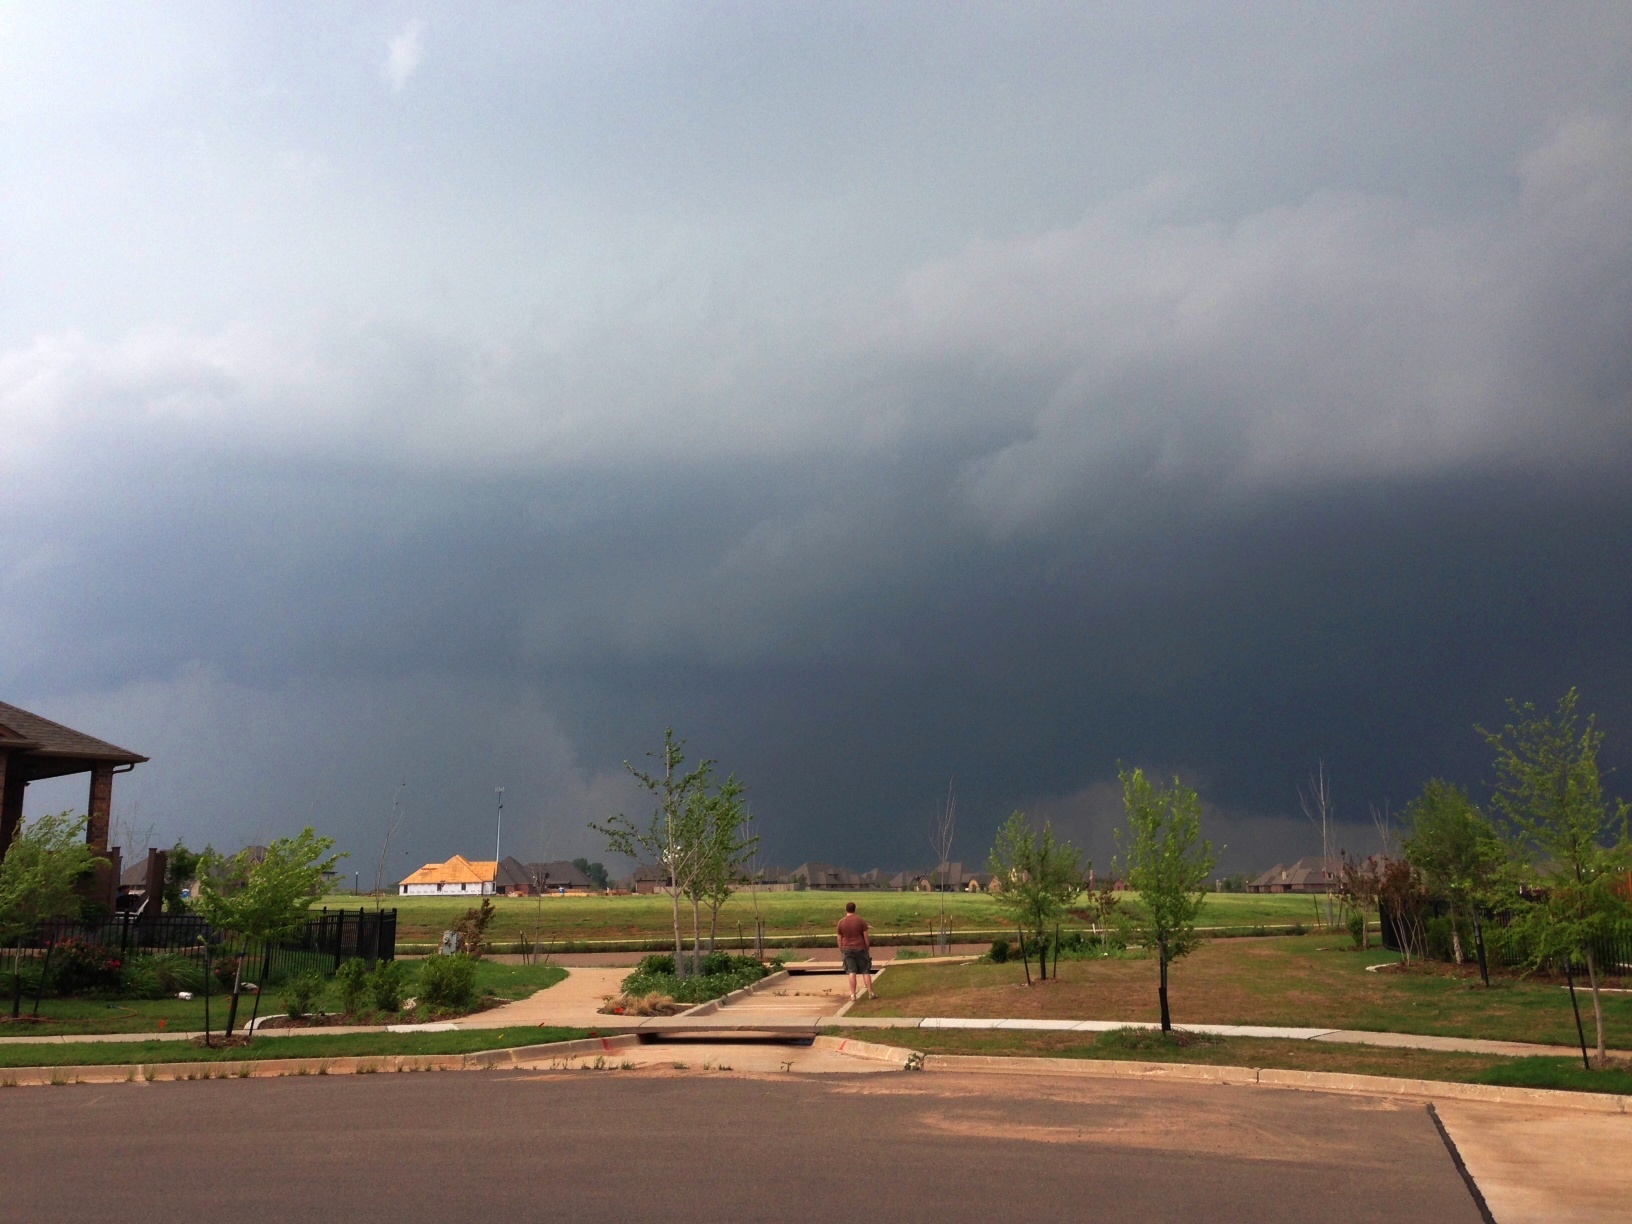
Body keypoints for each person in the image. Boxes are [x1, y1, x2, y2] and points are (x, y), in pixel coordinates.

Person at [837, 901, 875, 1000]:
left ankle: (853, 995)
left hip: (847, 948)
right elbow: (866, 936)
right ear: (855, 909)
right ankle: (871, 993)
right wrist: (867, 948)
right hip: (860, 947)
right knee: (865, 971)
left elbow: (839, 938)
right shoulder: (860, 921)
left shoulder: (841, 922)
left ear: (846, 909)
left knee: (851, 972)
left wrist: (841, 949)